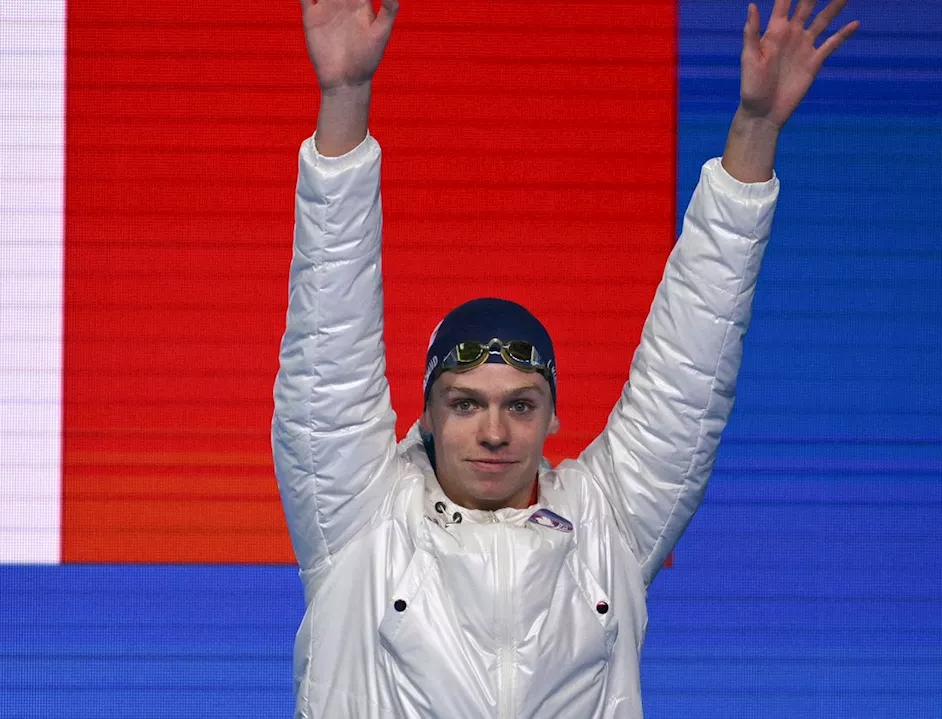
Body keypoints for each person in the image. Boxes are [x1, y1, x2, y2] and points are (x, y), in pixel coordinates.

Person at [272, 0, 858, 716]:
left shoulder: (607, 523)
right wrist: (344, 99)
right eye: (466, 403)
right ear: (425, 413)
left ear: (553, 416)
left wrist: (756, 131)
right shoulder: (359, 518)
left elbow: (691, 363)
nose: (494, 431)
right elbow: (328, 334)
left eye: (520, 404)